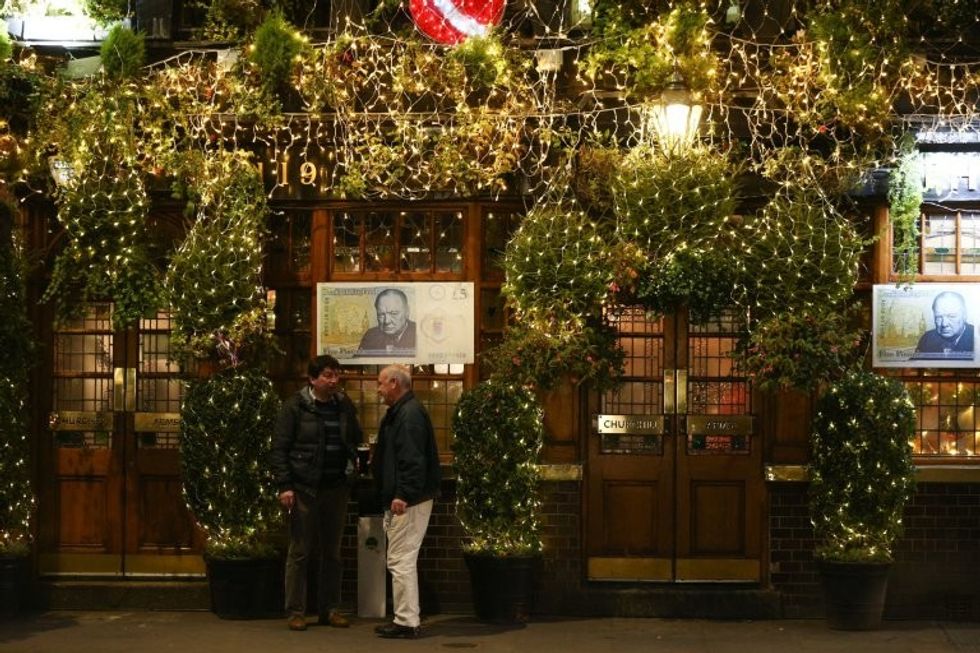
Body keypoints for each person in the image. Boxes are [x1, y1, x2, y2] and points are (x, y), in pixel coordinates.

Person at [271, 355, 364, 632]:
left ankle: (330, 608)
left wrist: (354, 464)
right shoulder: (295, 407)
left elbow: (355, 438)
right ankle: (296, 611)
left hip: (336, 487)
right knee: (300, 551)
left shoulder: (344, 405)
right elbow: (279, 449)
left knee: (332, 553)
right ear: (312, 379)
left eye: (336, 374)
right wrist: (285, 485)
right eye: (327, 375)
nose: (334, 380)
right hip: (304, 488)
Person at [371, 365, 441, 639]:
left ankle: (406, 621)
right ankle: (406, 618)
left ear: (394, 383)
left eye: (380, 383)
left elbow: (411, 460)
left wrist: (403, 494)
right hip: (407, 497)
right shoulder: (405, 412)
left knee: (401, 559)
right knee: (403, 559)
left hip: (408, 500)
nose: (378, 389)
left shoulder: (407, 415)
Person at [914, 290, 975, 360]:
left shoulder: (975, 337)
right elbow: (914, 366)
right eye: (939, 317)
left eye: (951, 316)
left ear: (964, 315)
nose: (944, 324)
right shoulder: (927, 338)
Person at [357, 288, 417, 356]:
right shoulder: (370, 336)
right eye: (381, 314)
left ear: (407, 311)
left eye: (393, 313)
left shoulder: (419, 334)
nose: (387, 321)